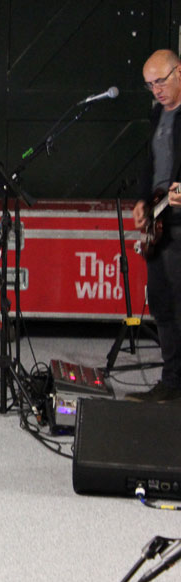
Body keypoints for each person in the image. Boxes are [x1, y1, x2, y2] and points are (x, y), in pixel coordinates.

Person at [130, 49, 181, 402]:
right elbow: (150, 163)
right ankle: (171, 381)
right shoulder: (157, 114)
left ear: (179, 72)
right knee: (162, 302)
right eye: (150, 85)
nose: (156, 90)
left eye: (160, 81)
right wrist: (141, 200)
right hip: (158, 219)